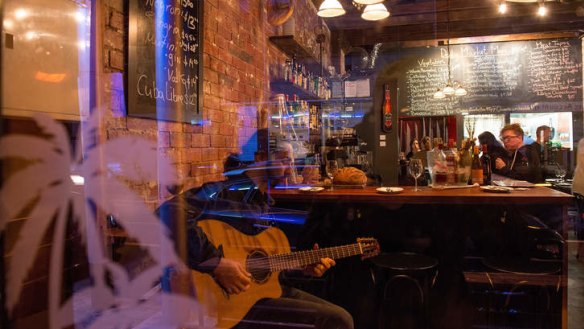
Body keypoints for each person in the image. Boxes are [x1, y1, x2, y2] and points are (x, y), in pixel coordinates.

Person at [157, 156, 354, 329]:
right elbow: (168, 212)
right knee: (337, 320)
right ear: (260, 156)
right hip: (221, 303)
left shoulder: (265, 204)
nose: (290, 168)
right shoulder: (223, 192)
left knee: (342, 316)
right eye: (284, 159)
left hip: (255, 295)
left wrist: (301, 268)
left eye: (291, 161)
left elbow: (265, 270)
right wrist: (215, 262)